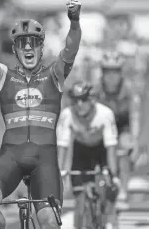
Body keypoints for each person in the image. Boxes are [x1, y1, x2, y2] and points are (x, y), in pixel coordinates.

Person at [0, 0, 81, 229]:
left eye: (34, 42)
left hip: (45, 160)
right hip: (11, 157)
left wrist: (74, 22)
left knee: (49, 222)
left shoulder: (55, 75)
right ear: (15, 49)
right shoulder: (3, 76)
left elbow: (71, 48)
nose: (28, 48)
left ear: (42, 48)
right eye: (22, 43)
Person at [57, 81, 120, 229]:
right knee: (79, 194)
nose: (79, 104)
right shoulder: (67, 115)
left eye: (84, 99)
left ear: (92, 99)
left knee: (109, 187)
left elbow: (111, 148)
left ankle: (109, 218)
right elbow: (63, 146)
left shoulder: (105, 114)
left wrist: (114, 175)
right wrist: (60, 173)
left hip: (101, 151)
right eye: (75, 100)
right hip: (81, 153)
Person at [94, 50, 134, 201]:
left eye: (115, 72)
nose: (111, 76)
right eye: (107, 72)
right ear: (102, 73)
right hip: (103, 124)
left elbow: (135, 115)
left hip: (122, 125)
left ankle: (123, 189)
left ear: (121, 73)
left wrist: (134, 139)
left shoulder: (128, 89)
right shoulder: (96, 88)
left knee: (123, 150)